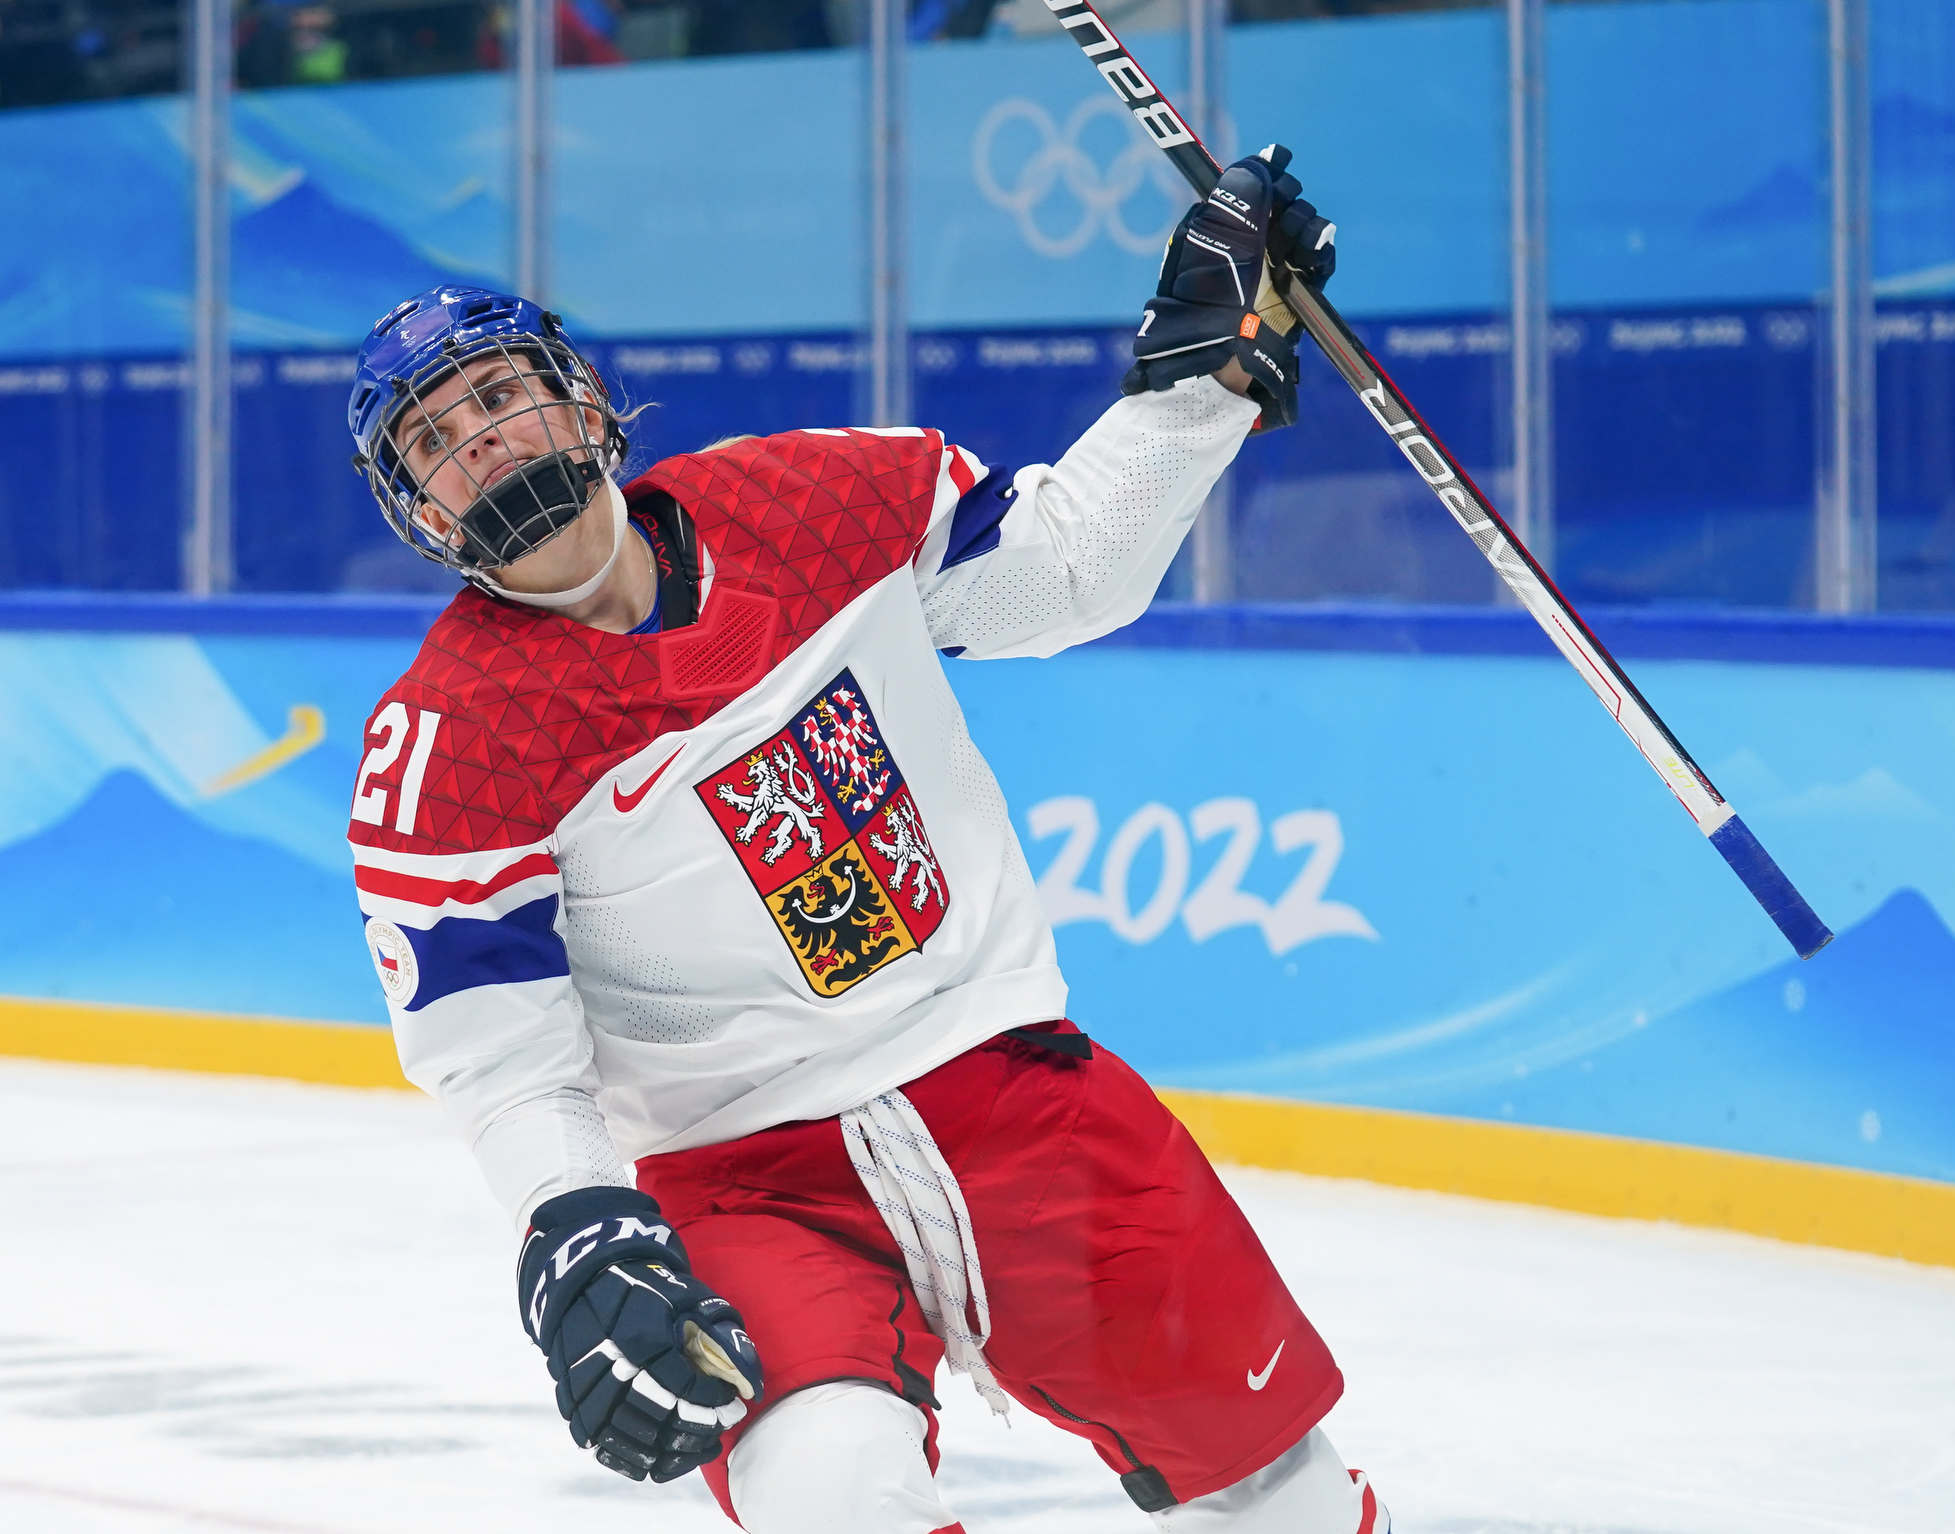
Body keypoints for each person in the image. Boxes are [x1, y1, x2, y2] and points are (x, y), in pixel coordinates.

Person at [345, 146, 1379, 1533]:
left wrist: (1204, 374)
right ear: (417, 510)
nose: (477, 439)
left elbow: (1068, 569)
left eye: (495, 396)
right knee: (829, 1496)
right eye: (433, 438)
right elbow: (499, 1054)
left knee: (1281, 1496)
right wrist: (574, 1221)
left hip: (1011, 1091)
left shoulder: (813, 502)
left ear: (579, 398)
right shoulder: (450, 744)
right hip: (745, 1177)